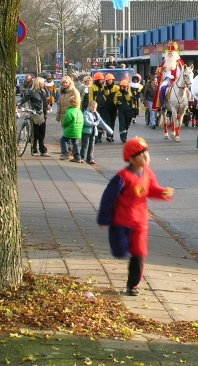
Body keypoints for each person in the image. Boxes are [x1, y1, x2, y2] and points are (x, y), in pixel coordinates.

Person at [96, 137, 174, 296]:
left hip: (139, 221)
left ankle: (132, 285)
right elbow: (108, 197)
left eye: (147, 152)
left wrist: (162, 192)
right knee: (120, 251)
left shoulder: (148, 173)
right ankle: (119, 249)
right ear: (131, 159)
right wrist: (104, 217)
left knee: (139, 251)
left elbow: (150, 189)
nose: (146, 156)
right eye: (141, 154)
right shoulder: (122, 177)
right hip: (121, 221)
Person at [17, 77, 50, 156]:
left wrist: (48, 106)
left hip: (43, 114)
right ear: (38, 83)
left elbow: (45, 100)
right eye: (42, 83)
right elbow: (24, 99)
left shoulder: (44, 91)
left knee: (42, 132)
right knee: (35, 133)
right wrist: (17, 105)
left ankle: (42, 149)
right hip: (35, 114)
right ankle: (34, 149)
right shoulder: (32, 92)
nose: (43, 84)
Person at [152, 41, 186, 110]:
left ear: (175, 53)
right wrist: (161, 71)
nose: (170, 54)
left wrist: (177, 77)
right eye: (169, 53)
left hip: (177, 80)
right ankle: (162, 105)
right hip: (167, 80)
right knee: (162, 89)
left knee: (188, 91)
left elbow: (183, 72)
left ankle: (189, 104)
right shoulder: (164, 62)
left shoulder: (180, 62)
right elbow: (161, 72)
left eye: (171, 53)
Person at [81, 100, 113, 166]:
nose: (94, 109)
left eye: (95, 107)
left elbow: (100, 121)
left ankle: (90, 158)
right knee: (85, 145)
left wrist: (109, 131)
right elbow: (86, 122)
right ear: (88, 107)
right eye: (92, 107)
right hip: (86, 132)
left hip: (93, 132)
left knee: (91, 146)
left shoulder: (96, 113)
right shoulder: (86, 113)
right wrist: (93, 123)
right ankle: (82, 157)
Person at [60, 96, 84, 162]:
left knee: (63, 140)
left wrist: (64, 124)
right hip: (77, 130)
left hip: (70, 130)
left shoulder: (69, 111)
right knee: (75, 143)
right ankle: (77, 157)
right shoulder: (79, 111)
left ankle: (65, 154)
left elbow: (66, 121)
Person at [89, 72, 108, 143]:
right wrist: (91, 106)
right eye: (100, 80)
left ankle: (99, 136)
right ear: (97, 80)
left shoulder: (103, 87)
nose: (102, 81)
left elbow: (107, 94)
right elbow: (90, 97)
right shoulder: (92, 87)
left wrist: (105, 86)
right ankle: (95, 137)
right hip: (95, 107)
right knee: (95, 121)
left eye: (102, 80)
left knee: (101, 121)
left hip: (103, 106)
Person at [103, 73, 120, 142]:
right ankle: (109, 136)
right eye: (108, 80)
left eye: (110, 80)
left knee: (112, 122)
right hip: (106, 107)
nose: (109, 81)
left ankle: (111, 136)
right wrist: (105, 87)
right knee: (108, 122)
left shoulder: (116, 88)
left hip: (114, 107)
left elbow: (119, 96)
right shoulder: (104, 87)